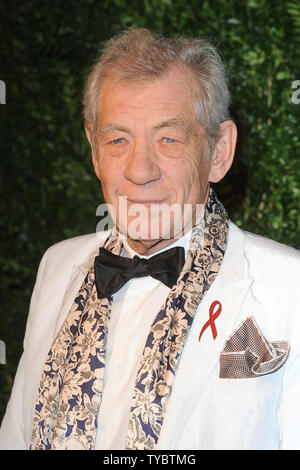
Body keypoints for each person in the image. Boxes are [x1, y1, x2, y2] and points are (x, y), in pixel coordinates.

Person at [0, 28, 300, 451]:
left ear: (218, 152)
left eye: (169, 139)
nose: (140, 171)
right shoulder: (56, 266)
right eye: (118, 140)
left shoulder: (290, 287)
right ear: (94, 151)